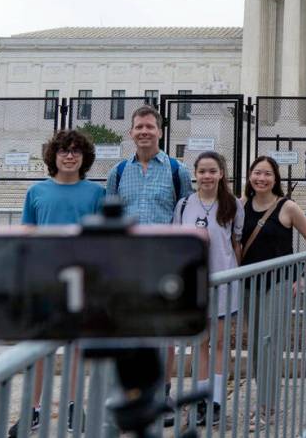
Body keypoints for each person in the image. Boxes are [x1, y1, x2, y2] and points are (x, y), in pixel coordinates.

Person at [8, 130, 104, 437]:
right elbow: (27, 231)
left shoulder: (96, 194)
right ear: (54, 156)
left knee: (76, 346)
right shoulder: (36, 192)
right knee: (39, 348)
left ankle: (74, 406)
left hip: (80, 280)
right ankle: (33, 410)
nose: (70, 155)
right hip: (44, 279)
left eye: (76, 151)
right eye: (64, 150)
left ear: (84, 157)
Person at [105, 105, 192, 426]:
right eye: (139, 127)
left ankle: (162, 392)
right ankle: (131, 393)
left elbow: (185, 214)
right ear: (131, 132)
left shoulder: (176, 171)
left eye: (149, 127)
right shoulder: (117, 172)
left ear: (159, 131)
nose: (144, 132)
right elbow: (108, 214)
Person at [239, 156, 306, 430]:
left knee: (269, 344)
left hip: (279, 283)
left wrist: (304, 277)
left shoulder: (288, 207)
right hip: (249, 283)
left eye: (267, 174)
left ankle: (267, 408)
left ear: (276, 179)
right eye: (257, 173)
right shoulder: (241, 206)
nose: (261, 178)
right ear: (250, 176)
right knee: (256, 348)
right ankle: (264, 401)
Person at [172, 151, 243, 427]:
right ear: (195, 174)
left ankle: (216, 401)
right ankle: (200, 399)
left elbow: (235, 244)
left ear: (221, 174)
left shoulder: (233, 205)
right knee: (200, 344)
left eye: (212, 171)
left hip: (224, 281)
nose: (207, 176)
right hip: (195, 284)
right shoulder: (184, 205)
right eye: (202, 171)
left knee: (220, 343)